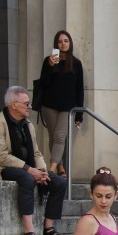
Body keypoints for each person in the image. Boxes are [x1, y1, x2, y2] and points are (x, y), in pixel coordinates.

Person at [0, 86, 69, 235]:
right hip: (4, 167)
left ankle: (48, 227)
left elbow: (36, 152)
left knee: (59, 182)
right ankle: (29, 231)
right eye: (27, 103)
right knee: (26, 179)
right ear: (14, 104)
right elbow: (1, 156)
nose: (30, 107)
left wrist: (43, 170)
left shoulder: (28, 124)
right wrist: (29, 170)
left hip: (29, 167)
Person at [37, 30, 85, 177]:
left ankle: (51, 169)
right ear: (56, 44)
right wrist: (50, 67)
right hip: (49, 105)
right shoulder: (49, 60)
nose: (63, 44)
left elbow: (79, 88)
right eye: (59, 41)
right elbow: (44, 83)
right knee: (53, 136)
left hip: (67, 107)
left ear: (70, 43)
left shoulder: (76, 63)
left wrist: (80, 113)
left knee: (59, 137)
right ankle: (60, 166)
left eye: (65, 41)